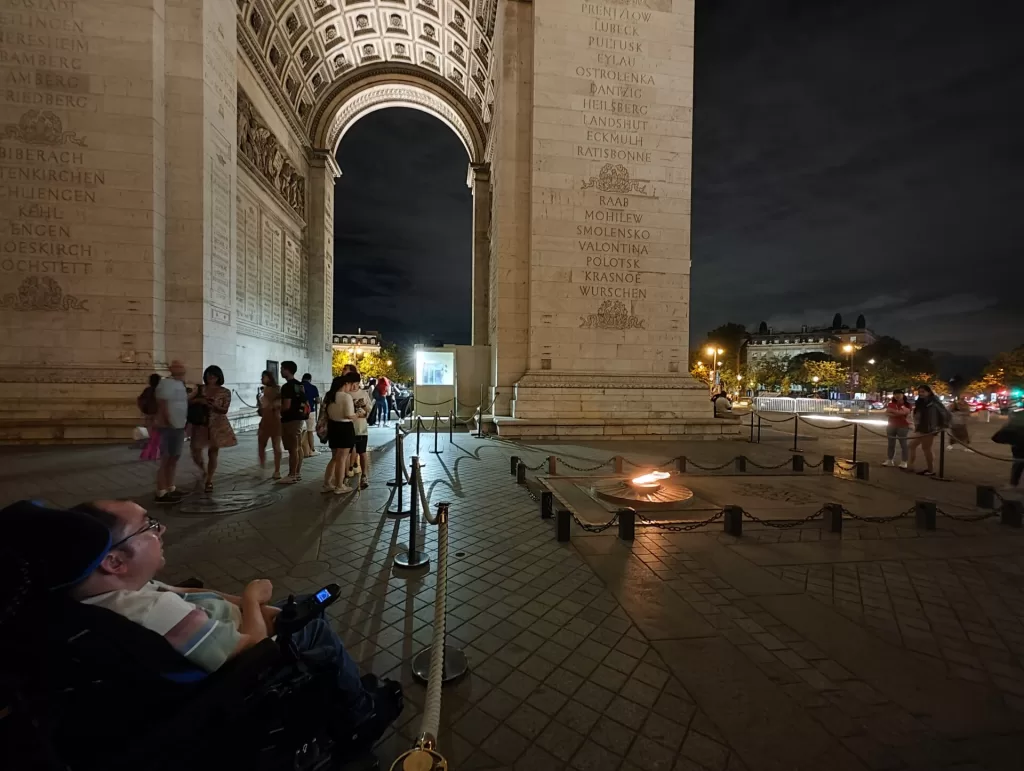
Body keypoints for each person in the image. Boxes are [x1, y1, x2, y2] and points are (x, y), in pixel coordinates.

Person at [67, 499, 400, 730]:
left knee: (301, 608)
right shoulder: (155, 613)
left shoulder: (110, 594)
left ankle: (343, 688)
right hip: (249, 657)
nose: (162, 529)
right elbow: (253, 647)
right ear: (114, 561)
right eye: (149, 527)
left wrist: (243, 602)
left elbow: (183, 593)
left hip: (231, 624)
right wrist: (253, 600)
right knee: (315, 624)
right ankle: (359, 711)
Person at [188, 366, 237, 493]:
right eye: (209, 376)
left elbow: (224, 409)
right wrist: (199, 400)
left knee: (213, 452)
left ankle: (209, 479)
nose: (211, 378)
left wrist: (213, 405)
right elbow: (187, 401)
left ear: (219, 377)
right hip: (201, 423)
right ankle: (203, 469)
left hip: (217, 424)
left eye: (214, 376)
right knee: (195, 450)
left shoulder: (225, 392)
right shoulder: (200, 389)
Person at [154, 360, 188, 503]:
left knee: (174, 457)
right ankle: (161, 491)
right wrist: (168, 421)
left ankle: (171, 487)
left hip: (179, 426)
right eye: (177, 366)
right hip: (168, 427)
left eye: (181, 365)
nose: (181, 368)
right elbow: (162, 404)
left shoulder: (181, 384)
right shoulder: (165, 383)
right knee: (166, 458)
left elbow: (181, 403)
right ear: (170, 369)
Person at [321, 375, 356, 494]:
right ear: (344, 384)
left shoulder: (329, 396)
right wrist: (359, 414)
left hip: (333, 427)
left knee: (335, 457)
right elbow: (349, 415)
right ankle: (339, 485)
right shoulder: (346, 397)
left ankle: (327, 483)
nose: (350, 387)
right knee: (342, 458)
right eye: (349, 385)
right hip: (344, 428)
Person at [279, 361, 309, 485]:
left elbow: (286, 405)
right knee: (297, 447)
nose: (280, 371)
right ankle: (297, 473)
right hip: (299, 419)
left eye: (282, 369)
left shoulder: (287, 387)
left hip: (290, 419)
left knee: (293, 448)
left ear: (287, 370)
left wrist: (276, 409)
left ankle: (292, 474)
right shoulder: (299, 385)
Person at [908, 385, 949, 476]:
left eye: (923, 391)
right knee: (912, 445)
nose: (921, 393)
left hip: (929, 428)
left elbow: (944, 414)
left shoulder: (934, 403)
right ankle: (910, 465)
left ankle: (930, 469)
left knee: (926, 448)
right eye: (919, 392)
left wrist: (939, 426)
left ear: (929, 392)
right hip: (921, 428)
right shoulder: (921, 402)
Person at [257, 370, 283, 479]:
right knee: (261, 443)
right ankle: (262, 466)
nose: (261, 379)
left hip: (275, 420)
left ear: (269, 377)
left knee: (276, 445)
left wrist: (271, 405)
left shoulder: (277, 389)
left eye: (263, 377)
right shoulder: (263, 391)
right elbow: (261, 408)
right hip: (265, 420)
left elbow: (280, 402)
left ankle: (277, 470)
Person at [349, 372, 373, 490]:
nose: (352, 386)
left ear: (358, 383)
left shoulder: (363, 393)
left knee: (362, 452)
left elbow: (369, 409)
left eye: (354, 383)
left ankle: (364, 475)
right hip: (348, 428)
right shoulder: (346, 394)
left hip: (361, 428)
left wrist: (363, 407)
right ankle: (347, 473)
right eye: (350, 383)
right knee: (348, 453)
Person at [992, 409, 1024, 490]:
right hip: (1019, 445)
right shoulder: (1017, 418)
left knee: (1017, 465)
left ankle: (1013, 483)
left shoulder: (1016, 418)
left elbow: (997, 437)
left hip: (1018, 445)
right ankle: (1013, 483)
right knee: (1018, 464)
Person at [882, 389, 912, 468]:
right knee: (891, 444)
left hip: (903, 426)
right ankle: (890, 459)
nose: (897, 396)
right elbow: (886, 413)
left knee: (903, 444)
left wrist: (892, 412)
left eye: (899, 394)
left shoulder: (907, 404)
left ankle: (904, 461)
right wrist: (898, 413)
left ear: (903, 395)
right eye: (895, 394)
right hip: (891, 425)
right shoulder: (891, 404)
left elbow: (905, 412)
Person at [137, 373, 162, 461]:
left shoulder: (147, 390)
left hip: (148, 415)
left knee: (151, 435)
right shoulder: (161, 391)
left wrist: (144, 411)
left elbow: (140, 400)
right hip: (158, 416)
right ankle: (153, 453)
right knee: (157, 436)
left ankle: (148, 453)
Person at [301, 373, 321, 459]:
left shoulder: (298, 386)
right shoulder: (313, 387)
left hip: (299, 411)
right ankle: (312, 450)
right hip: (310, 411)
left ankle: (299, 450)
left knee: (300, 431)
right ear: (310, 379)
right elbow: (317, 400)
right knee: (310, 431)